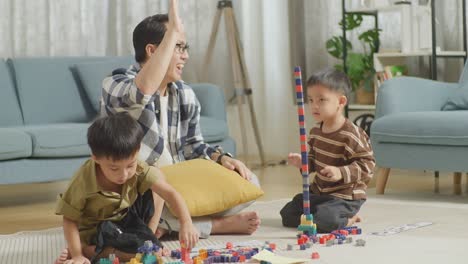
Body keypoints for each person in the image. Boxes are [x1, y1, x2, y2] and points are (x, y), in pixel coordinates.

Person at [100, 0, 260, 239]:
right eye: (178, 47)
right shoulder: (115, 84)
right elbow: (141, 91)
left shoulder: (183, 92)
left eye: (186, 48)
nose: (185, 56)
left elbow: (194, 146)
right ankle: (212, 226)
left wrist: (221, 158)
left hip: (177, 187)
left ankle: (166, 226)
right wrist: (172, 30)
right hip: (139, 189)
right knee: (141, 199)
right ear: (153, 51)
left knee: (249, 180)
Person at [54, 113, 199, 264]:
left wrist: (186, 222)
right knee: (134, 254)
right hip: (98, 230)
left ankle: (148, 237)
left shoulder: (138, 168)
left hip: (127, 219)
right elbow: (69, 219)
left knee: (158, 177)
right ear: (96, 158)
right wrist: (77, 254)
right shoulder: (83, 181)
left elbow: (170, 193)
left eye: (130, 165)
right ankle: (86, 250)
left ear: (137, 151)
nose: (124, 175)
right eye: (114, 169)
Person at [280, 68, 375, 233]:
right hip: (319, 193)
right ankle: (323, 215)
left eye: (321, 100)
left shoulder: (351, 134)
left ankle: (348, 218)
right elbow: (314, 162)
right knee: (288, 214)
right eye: (310, 100)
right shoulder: (316, 133)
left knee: (325, 221)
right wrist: (304, 164)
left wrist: (341, 172)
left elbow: (368, 165)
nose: (314, 106)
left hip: (344, 196)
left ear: (341, 101)